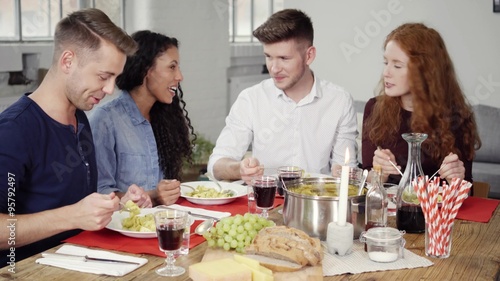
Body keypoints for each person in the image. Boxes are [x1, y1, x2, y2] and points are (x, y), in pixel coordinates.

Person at [0, 8, 150, 265]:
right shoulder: (14, 130)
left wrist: (119, 204)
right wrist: (72, 216)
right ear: (68, 61)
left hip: (82, 264)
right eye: (104, 76)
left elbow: (75, 204)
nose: (110, 89)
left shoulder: (80, 118)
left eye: (115, 78)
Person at [208, 9, 358, 184]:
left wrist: (346, 173)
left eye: (284, 58)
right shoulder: (251, 99)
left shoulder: (339, 101)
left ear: (309, 55)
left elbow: (346, 172)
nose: (274, 68)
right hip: (265, 203)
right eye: (269, 57)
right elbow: (216, 164)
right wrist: (239, 169)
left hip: (316, 203)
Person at [362, 23, 481, 185]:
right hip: (391, 208)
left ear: (425, 72)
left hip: (436, 208)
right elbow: (367, 180)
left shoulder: (458, 117)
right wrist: (378, 173)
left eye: (397, 65)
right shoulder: (374, 109)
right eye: (386, 63)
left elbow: (467, 190)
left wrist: (457, 179)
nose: (386, 73)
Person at [89, 30, 195, 206]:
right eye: (172, 67)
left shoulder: (163, 119)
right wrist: (154, 195)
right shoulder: (105, 120)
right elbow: (101, 195)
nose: (179, 76)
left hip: (159, 225)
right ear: (147, 69)